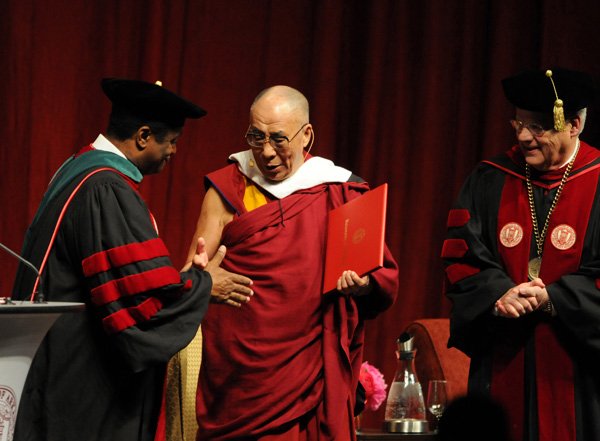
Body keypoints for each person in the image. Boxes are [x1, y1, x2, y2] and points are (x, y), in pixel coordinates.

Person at [10, 78, 253, 441]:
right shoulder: (106, 189)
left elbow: (128, 280)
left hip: (53, 364)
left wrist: (182, 281)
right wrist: (203, 286)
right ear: (142, 136)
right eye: (171, 142)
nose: (173, 152)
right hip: (83, 384)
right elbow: (139, 307)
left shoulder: (77, 168)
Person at [184, 85, 399, 440]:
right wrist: (206, 277)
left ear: (306, 136)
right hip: (238, 381)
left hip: (308, 374)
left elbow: (383, 279)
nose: (266, 152)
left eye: (278, 139)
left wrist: (364, 286)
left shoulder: (340, 190)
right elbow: (190, 274)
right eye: (256, 136)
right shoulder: (229, 187)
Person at [442, 67, 600, 441]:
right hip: (503, 354)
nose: (525, 137)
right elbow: (462, 257)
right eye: (519, 125)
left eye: (539, 128)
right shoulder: (490, 178)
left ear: (574, 124)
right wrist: (499, 294)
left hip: (582, 372)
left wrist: (554, 298)